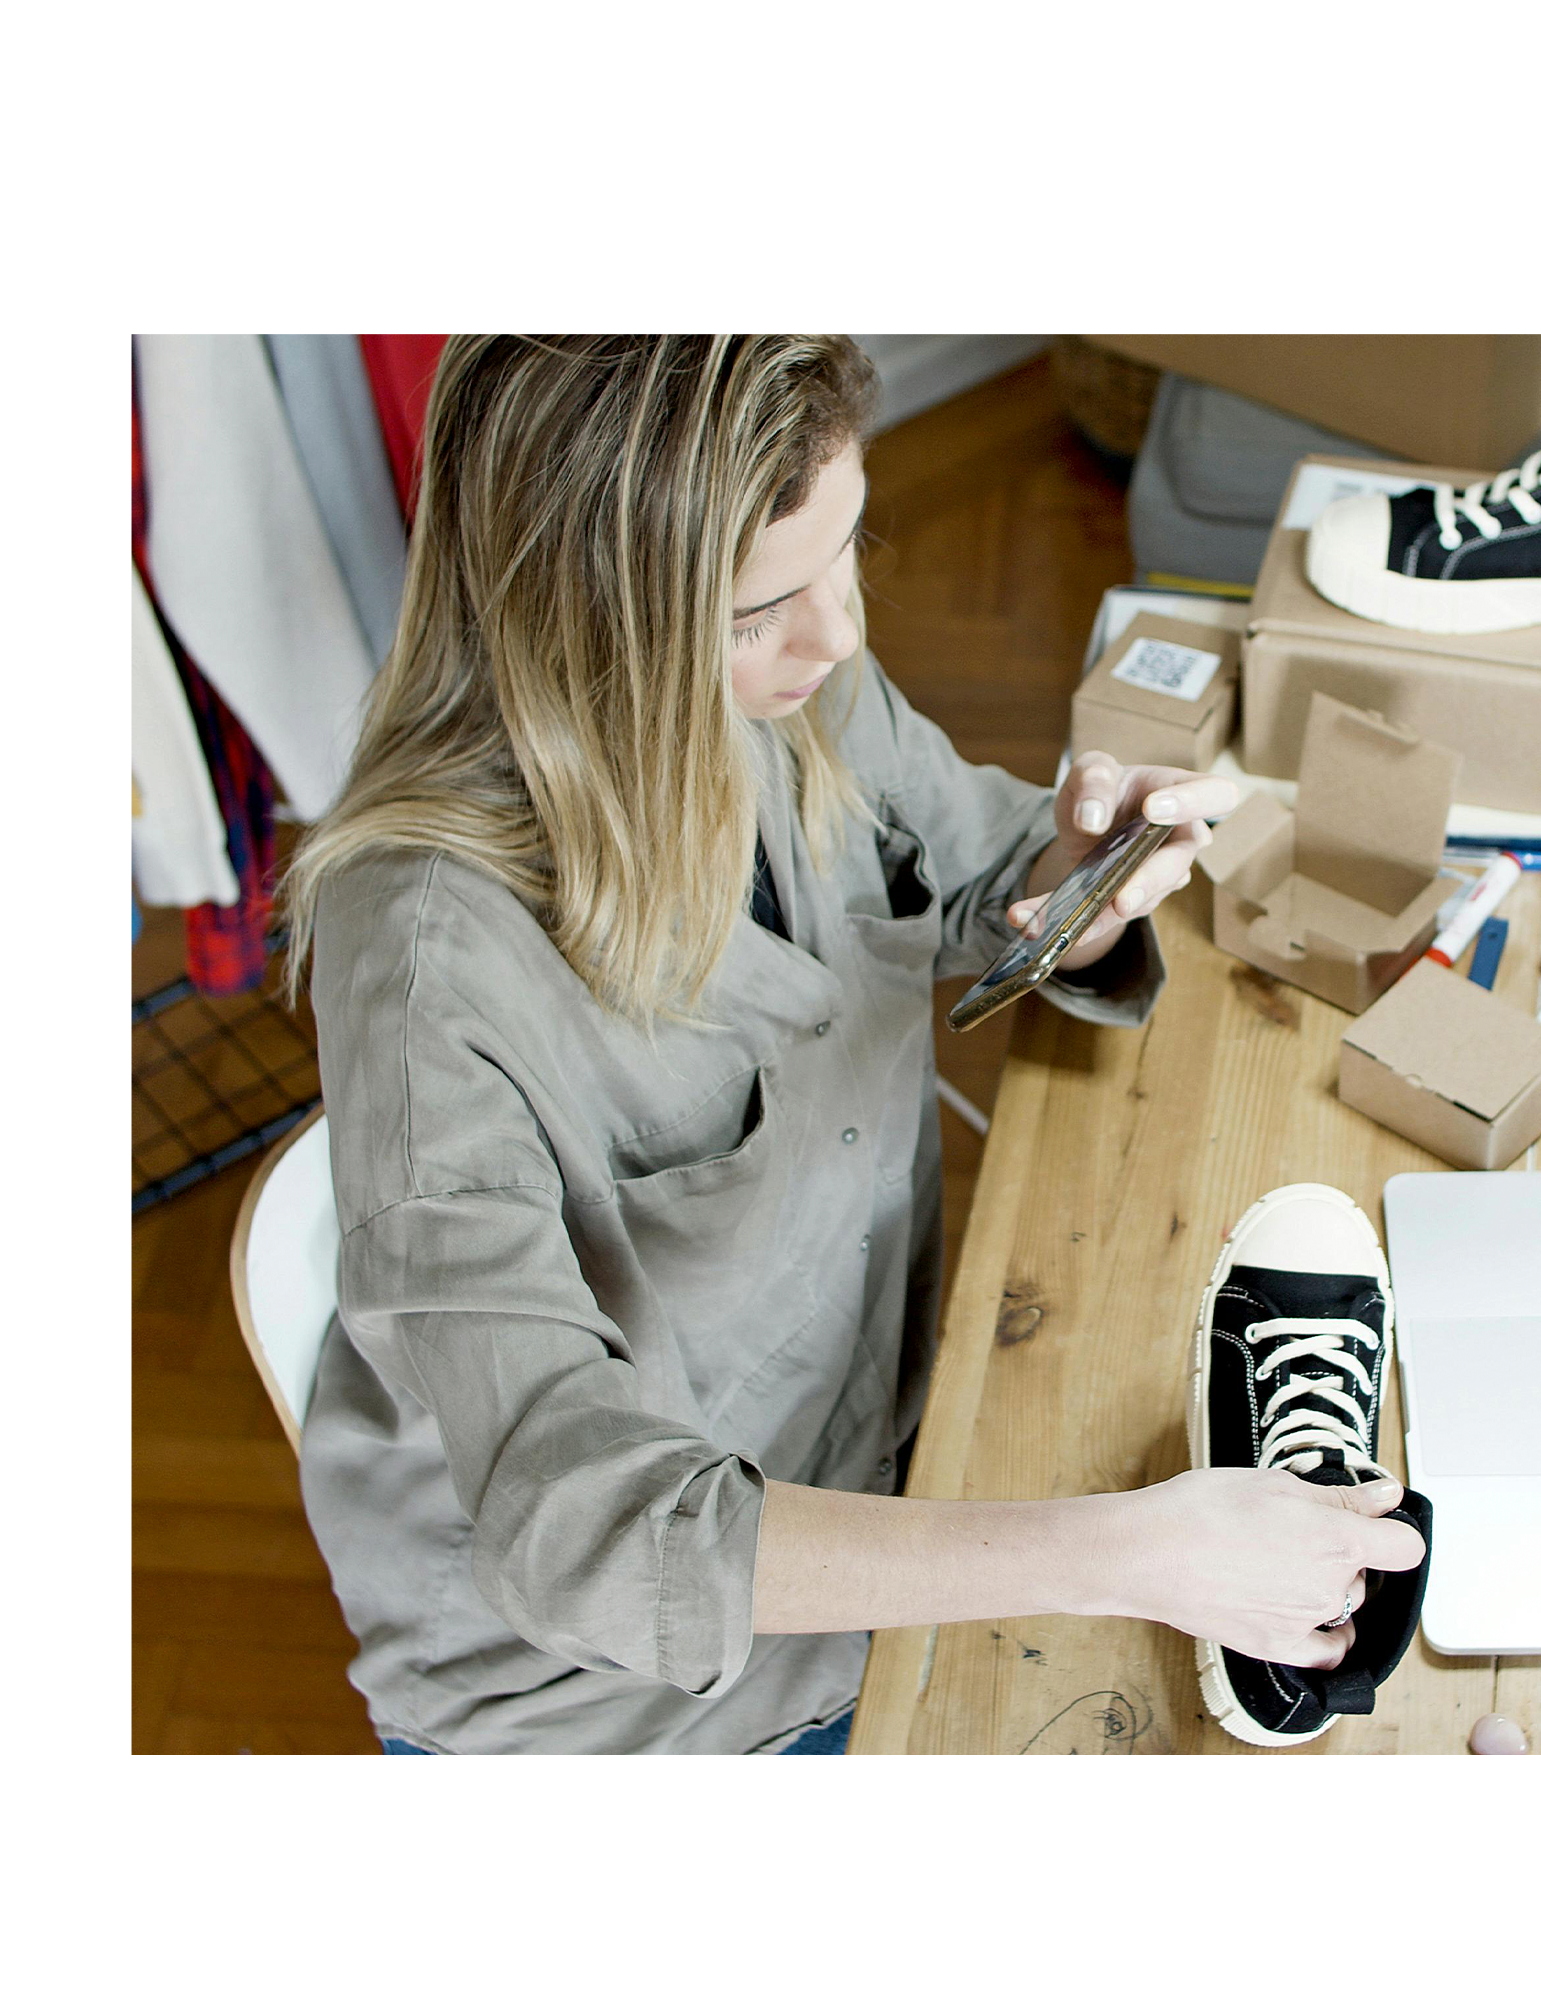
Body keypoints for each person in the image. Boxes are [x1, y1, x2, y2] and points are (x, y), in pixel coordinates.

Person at [280, 336, 1425, 1754]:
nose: (838, 636)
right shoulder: (426, 965)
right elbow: (590, 1535)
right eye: (764, 609)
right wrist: (1130, 1551)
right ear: (590, 619)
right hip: (638, 1701)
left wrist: (1071, 883)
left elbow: (965, 857)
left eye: (846, 554)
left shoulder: (785, 687)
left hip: (882, 1441)